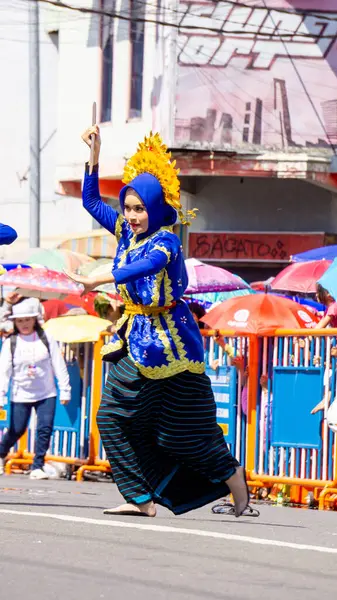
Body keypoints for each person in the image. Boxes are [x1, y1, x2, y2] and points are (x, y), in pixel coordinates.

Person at [64, 126, 253, 519]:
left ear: (156, 207)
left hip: (172, 344)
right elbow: (89, 202)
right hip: (134, 339)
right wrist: (94, 158)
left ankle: (233, 478)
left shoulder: (166, 240)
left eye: (139, 208)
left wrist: (99, 276)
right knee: (110, 417)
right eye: (128, 207)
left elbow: (146, 266)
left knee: (182, 430)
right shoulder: (124, 231)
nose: (131, 216)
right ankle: (139, 498)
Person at [0, 298, 71, 479]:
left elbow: (58, 363)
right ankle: (1, 454)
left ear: (35, 319)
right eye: (20, 320)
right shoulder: (11, 342)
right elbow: (3, 371)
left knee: (44, 428)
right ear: (15, 322)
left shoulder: (46, 338)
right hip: (20, 393)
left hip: (46, 393)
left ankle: (37, 465)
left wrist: (65, 389)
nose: (24, 324)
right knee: (17, 429)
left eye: (27, 319)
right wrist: (1, 397)